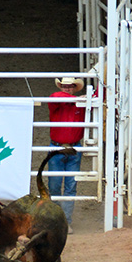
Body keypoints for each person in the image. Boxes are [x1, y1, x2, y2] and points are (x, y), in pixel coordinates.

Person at [47, 75, 86, 233]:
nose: (67, 88)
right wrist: (79, 99)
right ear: (61, 87)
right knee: (55, 186)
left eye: (70, 86)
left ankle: (65, 222)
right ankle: (59, 221)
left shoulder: (79, 103)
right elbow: (54, 97)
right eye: (65, 86)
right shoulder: (58, 99)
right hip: (59, 148)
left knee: (70, 186)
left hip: (72, 148)